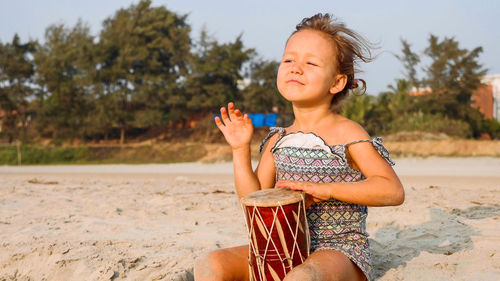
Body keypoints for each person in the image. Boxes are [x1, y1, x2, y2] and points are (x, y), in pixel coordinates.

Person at [194, 13, 404, 281]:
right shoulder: (277, 139)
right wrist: (240, 150)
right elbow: (255, 204)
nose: (295, 67)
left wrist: (325, 190)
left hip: (338, 250)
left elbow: (392, 190)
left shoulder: (347, 133)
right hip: (280, 248)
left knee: (303, 276)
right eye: (289, 59)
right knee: (210, 264)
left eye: (311, 63)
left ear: (337, 82)